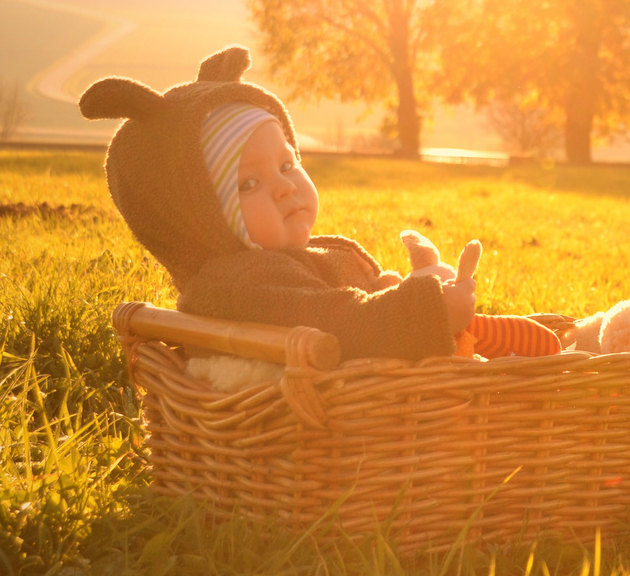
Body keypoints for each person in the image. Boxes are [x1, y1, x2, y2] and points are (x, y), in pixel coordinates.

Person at [80, 46, 557, 361]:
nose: (285, 187)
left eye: (287, 166)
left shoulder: (293, 258)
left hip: (438, 353)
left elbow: (360, 301)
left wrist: (407, 285)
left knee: (546, 341)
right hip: (375, 422)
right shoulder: (233, 287)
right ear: (193, 219)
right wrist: (425, 308)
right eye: (248, 184)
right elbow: (340, 322)